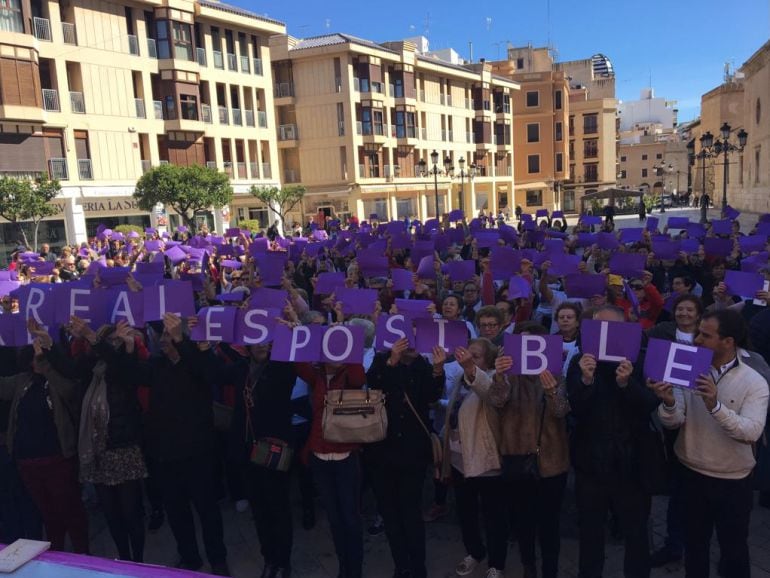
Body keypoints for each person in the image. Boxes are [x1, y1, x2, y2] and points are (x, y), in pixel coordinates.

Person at [650, 310, 769, 578]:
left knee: (734, 550)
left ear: (728, 341)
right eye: (698, 333)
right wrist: (668, 401)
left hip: (733, 479)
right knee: (695, 547)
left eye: (705, 335)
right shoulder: (689, 367)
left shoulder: (754, 380)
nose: (697, 340)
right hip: (691, 473)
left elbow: (751, 432)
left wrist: (714, 405)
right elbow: (674, 420)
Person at [125, 314, 230, 576]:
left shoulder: (196, 363)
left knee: (208, 511)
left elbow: (213, 373)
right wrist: (127, 349)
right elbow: (129, 374)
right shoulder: (156, 366)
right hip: (166, 456)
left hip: (199, 454)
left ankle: (218, 559)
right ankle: (190, 557)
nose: (163, 341)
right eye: (161, 336)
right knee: (177, 513)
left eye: (168, 336)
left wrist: (183, 340)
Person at [566, 305, 659, 578]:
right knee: (591, 532)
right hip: (590, 462)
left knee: (636, 532)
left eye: (610, 328)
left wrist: (626, 384)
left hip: (631, 463)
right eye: (597, 328)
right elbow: (575, 407)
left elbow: (649, 404)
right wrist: (585, 379)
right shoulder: (580, 360)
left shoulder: (642, 359)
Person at [490, 322, 570, 578]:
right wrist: (500, 376)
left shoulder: (556, 374)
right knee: (523, 520)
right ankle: (529, 566)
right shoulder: (509, 375)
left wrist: (551, 391)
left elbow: (561, 411)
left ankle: (550, 570)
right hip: (517, 457)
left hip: (551, 461)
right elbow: (497, 401)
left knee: (550, 524)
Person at [0, 325, 88, 554]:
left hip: (56, 459)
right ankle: (57, 554)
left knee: (70, 510)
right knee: (48, 513)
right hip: (28, 462)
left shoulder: (58, 379)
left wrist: (47, 363)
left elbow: (70, 393)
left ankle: (82, 554)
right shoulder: (23, 381)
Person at [365, 338, 446, 578]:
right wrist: (392, 362)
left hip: (412, 452)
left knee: (410, 511)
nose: (409, 343)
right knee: (389, 512)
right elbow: (374, 385)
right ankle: (401, 564)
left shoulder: (423, 365)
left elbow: (431, 397)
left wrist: (438, 369)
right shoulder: (382, 360)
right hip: (381, 448)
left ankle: (417, 565)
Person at [441, 339, 507, 578]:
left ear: (487, 360)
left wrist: (471, 369)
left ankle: (496, 564)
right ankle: (475, 552)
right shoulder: (461, 379)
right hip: (460, 460)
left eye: (476, 356)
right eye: (468, 354)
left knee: (494, 516)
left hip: (485, 461)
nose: (468, 358)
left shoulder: (495, 378)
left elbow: (491, 394)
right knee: (466, 512)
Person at [296, 359, 367, 578]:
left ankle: (354, 571)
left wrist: (350, 353)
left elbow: (359, 378)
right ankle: (343, 566)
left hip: (345, 456)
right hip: (319, 455)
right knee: (335, 519)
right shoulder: (316, 375)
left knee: (350, 517)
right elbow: (297, 363)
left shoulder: (350, 374)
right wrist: (290, 329)